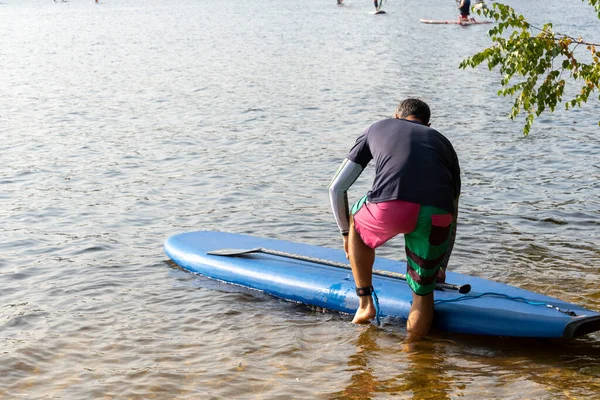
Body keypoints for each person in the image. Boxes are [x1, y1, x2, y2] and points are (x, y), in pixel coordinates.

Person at [328, 98, 461, 337]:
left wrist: (346, 234)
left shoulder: (377, 127)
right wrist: (440, 265)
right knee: (423, 295)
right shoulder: (443, 142)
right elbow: (453, 209)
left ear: (396, 116)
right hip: (436, 214)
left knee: (356, 221)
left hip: (390, 207)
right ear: (428, 125)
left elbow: (336, 188)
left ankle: (365, 304)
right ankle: (413, 354)